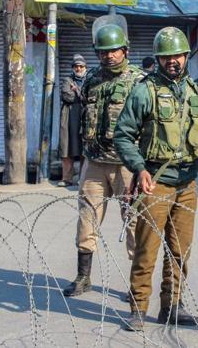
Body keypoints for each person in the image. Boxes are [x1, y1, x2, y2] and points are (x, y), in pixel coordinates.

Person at [114, 27, 198, 331]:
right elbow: (123, 135)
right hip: (155, 181)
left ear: (186, 57)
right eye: (167, 56)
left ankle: (172, 307)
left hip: (187, 183)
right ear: (158, 58)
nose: (173, 61)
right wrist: (139, 168)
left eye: (178, 55)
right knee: (147, 249)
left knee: (180, 250)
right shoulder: (145, 91)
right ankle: (138, 308)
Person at [61, 23, 145, 297]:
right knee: (86, 219)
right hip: (95, 161)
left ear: (125, 50)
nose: (109, 56)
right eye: (103, 52)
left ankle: (137, 287)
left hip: (127, 165)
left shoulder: (139, 81)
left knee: (134, 222)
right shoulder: (94, 78)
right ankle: (83, 277)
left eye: (114, 51)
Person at [58, 54, 87, 187]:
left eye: (81, 66)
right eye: (76, 66)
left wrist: (77, 90)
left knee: (84, 150)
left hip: (84, 118)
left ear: (85, 67)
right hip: (69, 118)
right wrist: (79, 94)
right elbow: (67, 96)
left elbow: (89, 97)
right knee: (66, 148)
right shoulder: (67, 80)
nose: (79, 69)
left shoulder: (89, 79)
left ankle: (83, 177)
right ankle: (66, 179)